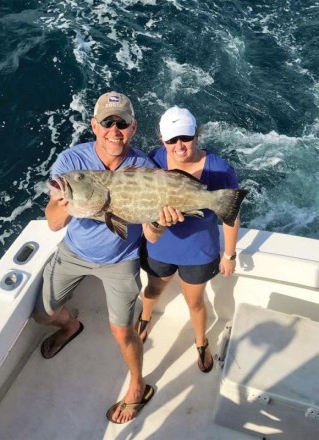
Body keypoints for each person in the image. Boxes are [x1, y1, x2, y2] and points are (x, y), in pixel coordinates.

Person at [33, 92, 182, 424]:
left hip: (121, 259)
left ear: (133, 127)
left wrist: (159, 219)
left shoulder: (144, 167)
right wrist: (69, 201)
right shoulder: (72, 163)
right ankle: (72, 326)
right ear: (94, 126)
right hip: (74, 252)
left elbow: (152, 235)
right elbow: (55, 223)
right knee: (43, 315)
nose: (114, 130)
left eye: (122, 123)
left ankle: (137, 387)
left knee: (122, 332)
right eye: (107, 122)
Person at [136, 106, 240, 373]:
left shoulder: (220, 169)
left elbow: (230, 212)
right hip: (159, 247)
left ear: (197, 134)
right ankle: (145, 317)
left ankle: (201, 341)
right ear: (162, 140)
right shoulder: (154, 160)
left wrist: (229, 254)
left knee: (194, 302)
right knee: (152, 290)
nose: (179, 146)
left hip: (198, 252)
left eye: (185, 137)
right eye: (171, 140)